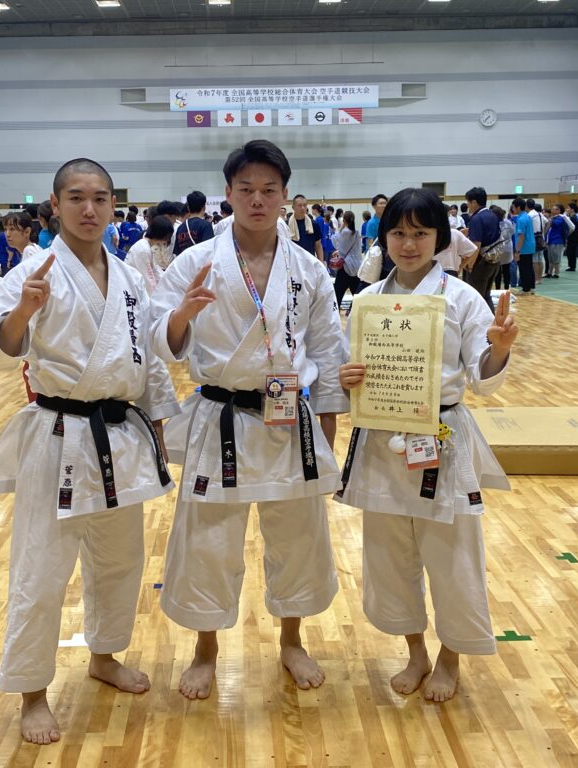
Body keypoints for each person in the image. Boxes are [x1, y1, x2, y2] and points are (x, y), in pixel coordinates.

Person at [0, 157, 179, 745]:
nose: (89, 209)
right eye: (76, 198)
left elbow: (147, 361)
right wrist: (23, 311)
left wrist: (158, 430)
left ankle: (104, 655)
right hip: (58, 434)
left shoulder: (129, 277)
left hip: (119, 435)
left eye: (99, 198)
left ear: (113, 205)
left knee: (119, 559)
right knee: (41, 567)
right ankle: (31, 690)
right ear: (56, 204)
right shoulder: (31, 272)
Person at [149, 139, 347, 700]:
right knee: (207, 539)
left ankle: (292, 640)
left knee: (298, 536)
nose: (257, 200)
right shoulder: (195, 262)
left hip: (289, 419)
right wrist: (182, 316)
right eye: (246, 189)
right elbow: (161, 340)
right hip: (222, 414)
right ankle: (205, 649)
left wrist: (327, 429)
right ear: (228, 193)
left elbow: (328, 348)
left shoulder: (307, 268)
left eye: (268, 189)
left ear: (285, 195)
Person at [336, 186, 516, 703]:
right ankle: (415, 652)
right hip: (382, 439)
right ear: (384, 237)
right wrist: (347, 378)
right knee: (390, 555)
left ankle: (450, 657)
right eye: (398, 233)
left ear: (439, 238)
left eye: (420, 233)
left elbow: (482, 376)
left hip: (441, 437)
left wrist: (499, 349)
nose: (408, 244)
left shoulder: (461, 298)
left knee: (453, 555)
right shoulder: (367, 300)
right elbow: (352, 370)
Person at [462, 186, 500, 309]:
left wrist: (469, 265)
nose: (468, 206)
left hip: (480, 263)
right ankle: (491, 319)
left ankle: (479, 321)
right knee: (486, 295)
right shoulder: (492, 215)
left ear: (474, 202)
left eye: (468, 202)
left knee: (474, 298)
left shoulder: (476, 218)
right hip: (494, 261)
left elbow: (475, 246)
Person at [123, 214, 174, 294]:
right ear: (162, 235)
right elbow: (148, 281)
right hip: (132, 289)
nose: (167, 241)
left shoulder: (146, 245)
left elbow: (155, 270)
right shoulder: (143, 249)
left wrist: (167, 281)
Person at [331, 210, 363, 307]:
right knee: (357, 294)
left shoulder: (345, 232)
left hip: (346, 266)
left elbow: (336, 243)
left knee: (338, 293)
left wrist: (341, 227)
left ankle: (336, 312)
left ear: (344, 220)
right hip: (357, 266)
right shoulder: (357, 232)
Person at [174, 191, 214, 256]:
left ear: (188, 208)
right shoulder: (206, 225)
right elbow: (209, 250)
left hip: (184, 262)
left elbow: (177, 253)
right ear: (204, 207)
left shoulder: (180, 228)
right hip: (201, 262)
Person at [511, 198, 535, 294]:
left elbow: (521, 237)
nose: (513, 209)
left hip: (524, 247)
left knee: (524, 268)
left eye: (513, 207)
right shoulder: (527, 216)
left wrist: (517, 251)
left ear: (518, 207)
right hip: (530, 245)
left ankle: (526, 289)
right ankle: (531, 287)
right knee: (529, 267)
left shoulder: (521, 219)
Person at [287, 194, 323, 260]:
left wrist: (321, 261)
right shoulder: (286, 224)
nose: (303, 208)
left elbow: (318, 244)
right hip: (293, 261)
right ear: (293, 207)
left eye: (305, 205)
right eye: (299, 205)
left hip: (309, 261)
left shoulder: (313, 224)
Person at [545, 204, 570, 279]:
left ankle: (556, 273)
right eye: (552, 209)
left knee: (556, 258)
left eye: (554, 209)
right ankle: (549, 272)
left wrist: (549, 219)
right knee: (550, 258)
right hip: (550, 240)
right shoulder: (553, 218)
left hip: (557, 240)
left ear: (559, 210)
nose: (552, 210)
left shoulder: (560, 218)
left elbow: (555, 224)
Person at [564, 203, 578, 272]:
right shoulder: (571, 217)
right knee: (570, 252)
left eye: (568, 208)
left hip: (573, 237)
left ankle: (572, 266)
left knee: (571, 252)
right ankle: (571, 265)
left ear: (572, 209)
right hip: (572, 237)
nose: (567, 209)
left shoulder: (574, 218)